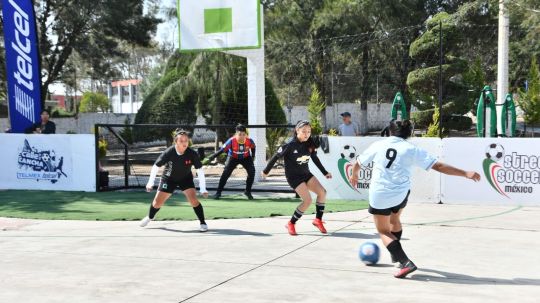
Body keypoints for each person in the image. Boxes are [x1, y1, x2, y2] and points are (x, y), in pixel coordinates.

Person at [349, 120, 480, 278]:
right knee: (395, 219)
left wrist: (354, 174)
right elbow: (438, 166)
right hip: (400, 194)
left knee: (383, 231)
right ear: (408, 134)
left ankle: (405, 262)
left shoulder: (379, 145)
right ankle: (395, 254)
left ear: (390, 132)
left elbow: (358, 163)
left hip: (380, 194)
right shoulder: (411, 149)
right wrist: (465, 173)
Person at [262, 120, 332, 236]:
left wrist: (325, 172)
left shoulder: (310, 144)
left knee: (322, 193)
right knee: (308, 201)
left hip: (306, 174)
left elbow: (315, 159)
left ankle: (318, 220)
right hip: (294, 178)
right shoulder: (289, 145)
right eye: (304, 131)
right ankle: (291, 223)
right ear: (297, 131)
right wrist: (266, 171)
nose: (307, 134)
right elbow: (275, 157)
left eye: (309, 131)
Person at [140, 129, 209, 232]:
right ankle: (150, 217)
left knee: (194, 201)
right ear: (176, 142)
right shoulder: (169, 152)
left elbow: (199, 170)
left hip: (185, 178)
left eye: (186, 140)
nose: (184, 143)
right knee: (157, 203)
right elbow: (156, 166)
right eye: (181, 141)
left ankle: (203, 223)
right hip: (169, 179)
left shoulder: (192, 153)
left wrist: (203, 188)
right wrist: (150, 183)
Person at [203, 124, 256, 200]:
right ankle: (218, 193)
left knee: (252, 172)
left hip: (246, 157)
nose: (242, 136)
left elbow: (253, 147)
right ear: (236, 134)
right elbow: (221, 150)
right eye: (239, 134)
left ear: (246, 134)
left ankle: (247, 191)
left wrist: (253, 156)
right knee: (226, 174)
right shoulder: (231, 141)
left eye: (244, 134)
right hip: (233, 157)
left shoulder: (249, 141)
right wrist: (211, 157)